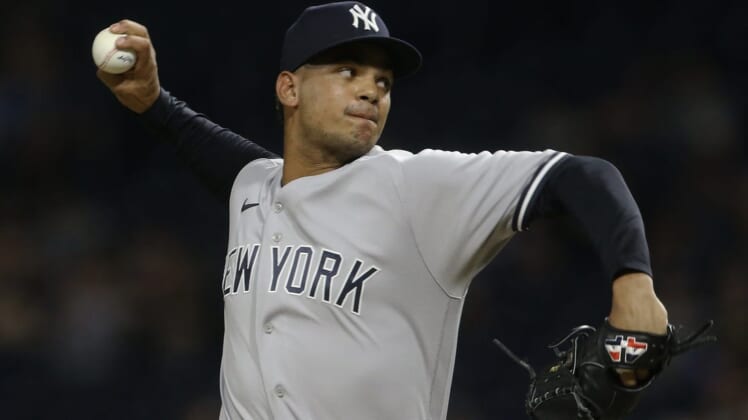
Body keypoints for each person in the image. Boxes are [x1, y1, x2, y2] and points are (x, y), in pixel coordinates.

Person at [97, 2, 668, 419]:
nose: (372, 91)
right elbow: (207, 147)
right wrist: (152, 101)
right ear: (289, 90)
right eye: (348, 72)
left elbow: (582, 175)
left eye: (383, 81)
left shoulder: (416, 187)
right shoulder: (254, 186)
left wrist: (633, 285)